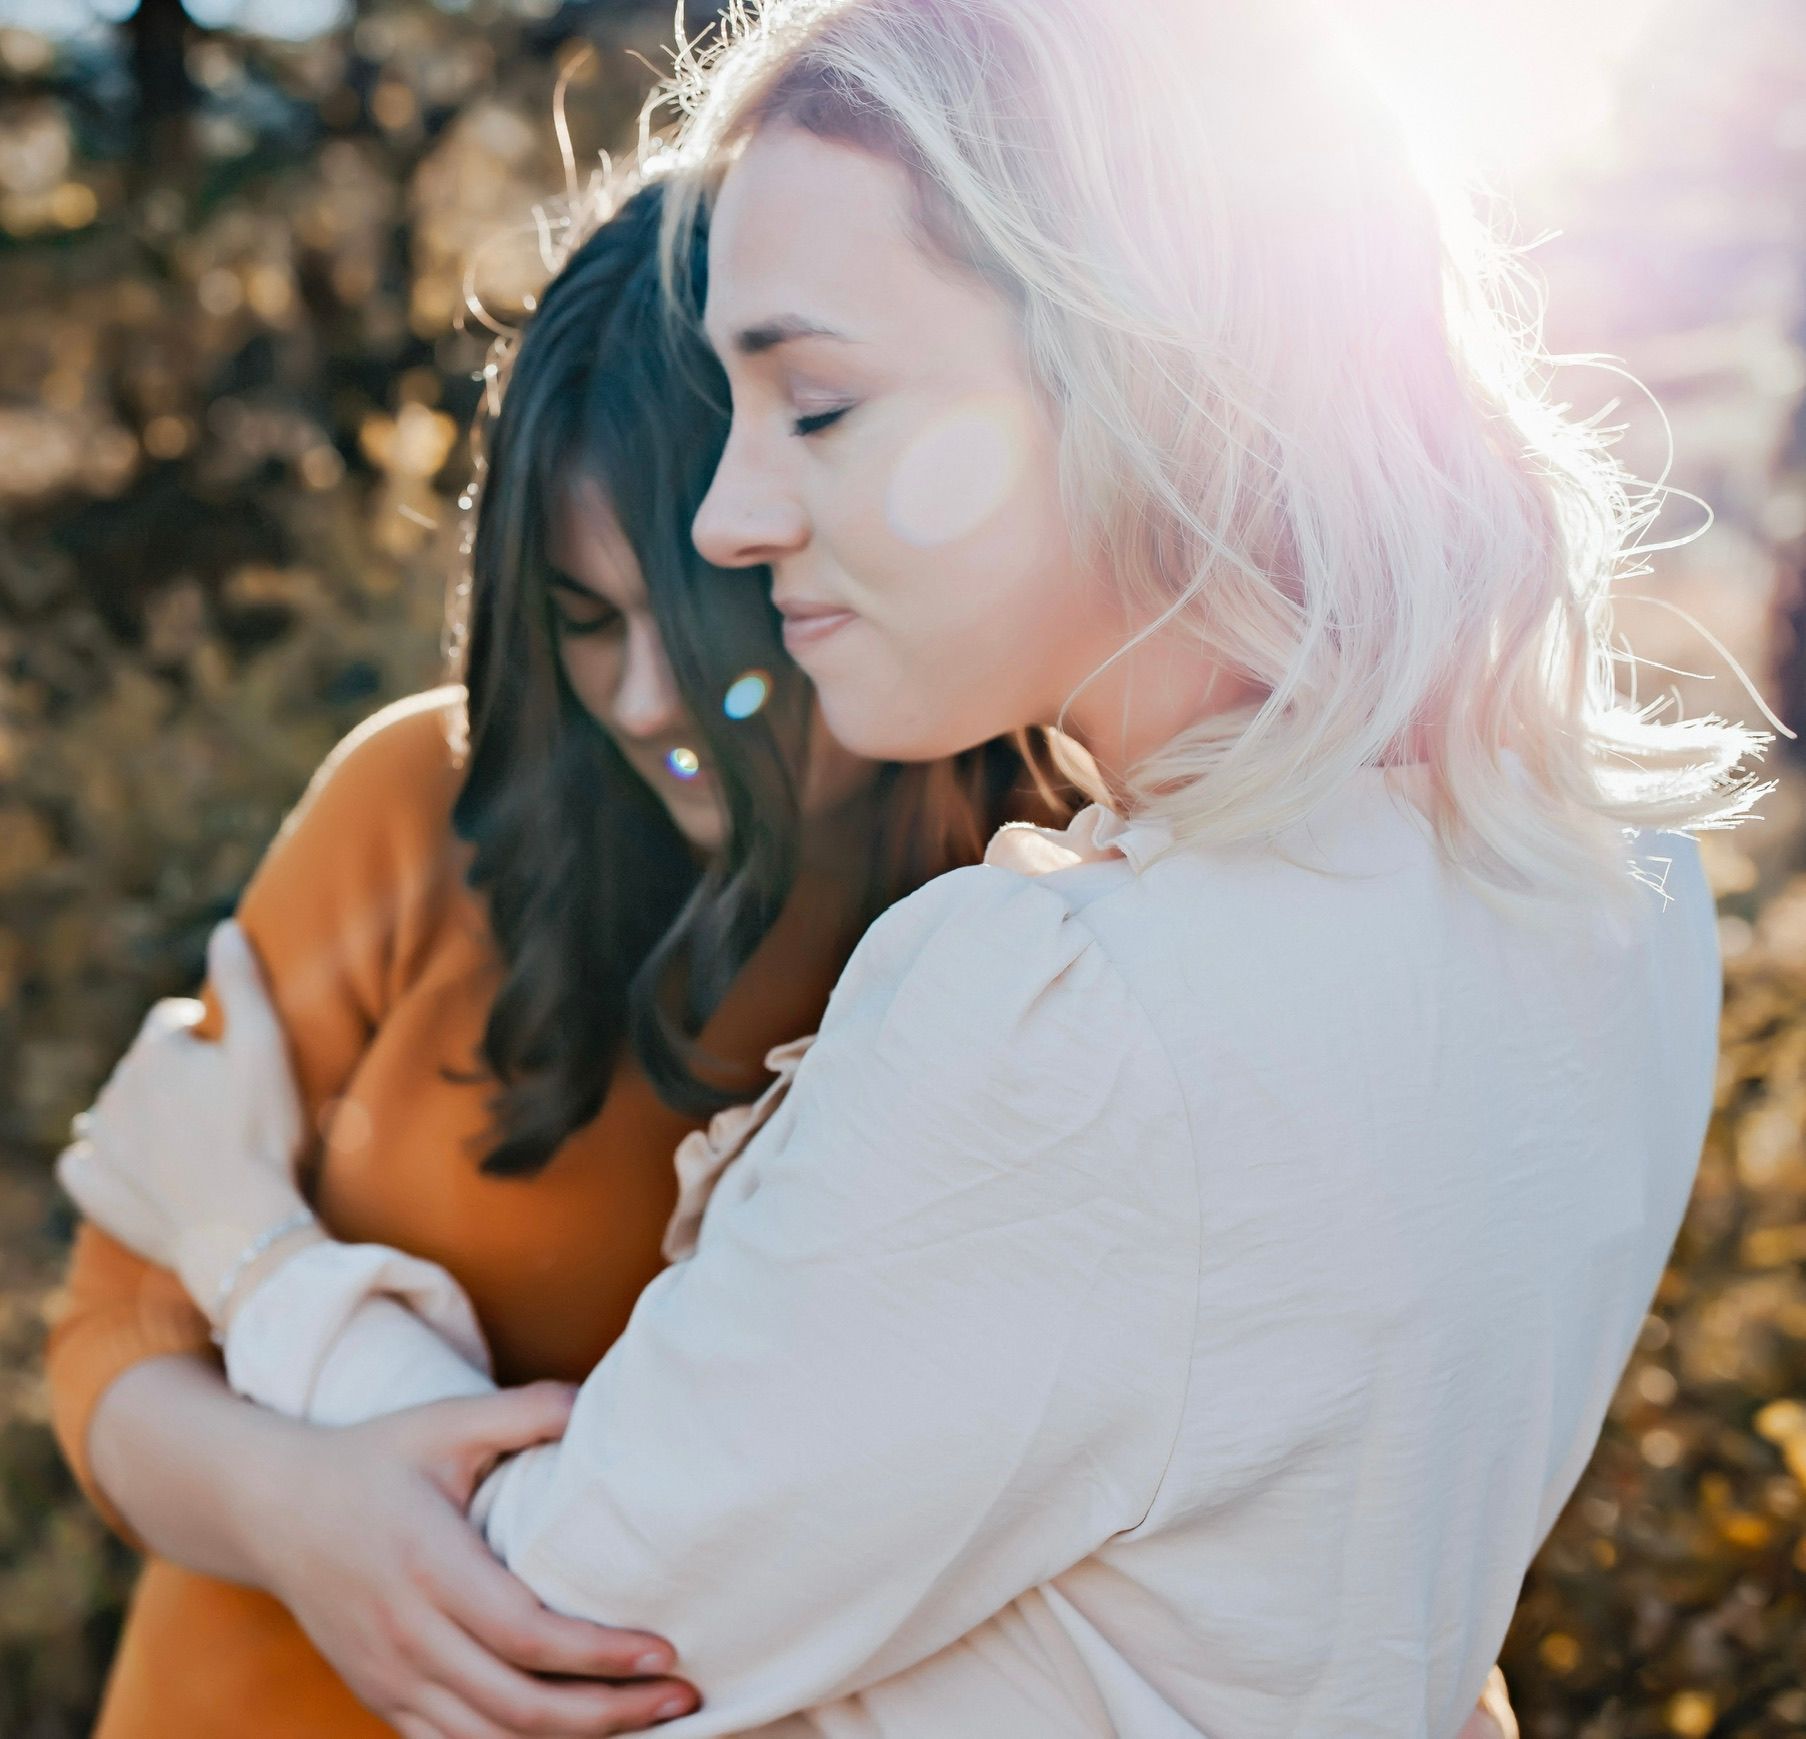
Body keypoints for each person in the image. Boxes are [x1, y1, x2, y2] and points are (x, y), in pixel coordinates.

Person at [62, 0, 1757, 1731]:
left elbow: (561, 1635)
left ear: (1137, 369)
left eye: (821, 403)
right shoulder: (1606, 893)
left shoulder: (1065, 1018)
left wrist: (255, 1255)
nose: (727, 517)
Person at [46, 179, 1056, 1739]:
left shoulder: (1039, 927)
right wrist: (302, 1518)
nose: (646, 699)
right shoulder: (423, 807)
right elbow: (114, 1335)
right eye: (584, 618)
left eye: (706, 619)